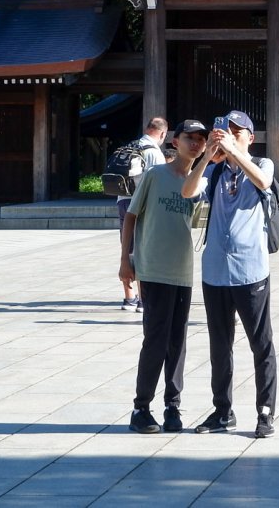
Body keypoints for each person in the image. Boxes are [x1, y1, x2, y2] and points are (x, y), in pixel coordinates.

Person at [181, 110, 278, 439]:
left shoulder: (262, 165)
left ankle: (265, 411)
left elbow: (263, 182)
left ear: (250, 137)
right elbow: (188, 192)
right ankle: (223, 411)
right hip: (216, 272)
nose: (229, 137)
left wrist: (235, 152)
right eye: (224, 132)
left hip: (250, 270)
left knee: (260, 344)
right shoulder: (217, 170)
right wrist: (208, 156)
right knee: (219, 345)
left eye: (237, 133)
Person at [120, 119, 210, 433]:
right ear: (175, 141)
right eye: (190, 138)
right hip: (154, 268)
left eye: (201, 139)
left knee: (178, 342)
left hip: (182, 270)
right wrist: (125, 260)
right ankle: (140, 408)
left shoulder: (199, 180)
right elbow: (131, 216)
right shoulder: (155, 176)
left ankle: (173, 407)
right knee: (155, 340)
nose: (196, 143)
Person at [119, 117, 169, 312]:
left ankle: (128, 298)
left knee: (127, 248)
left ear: (147, 128)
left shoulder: (130, 146)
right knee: (143, 249)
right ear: (163, 134)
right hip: (142, 204)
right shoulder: (154, 153)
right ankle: (143, 299)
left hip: (122, 201)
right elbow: (160, 184)